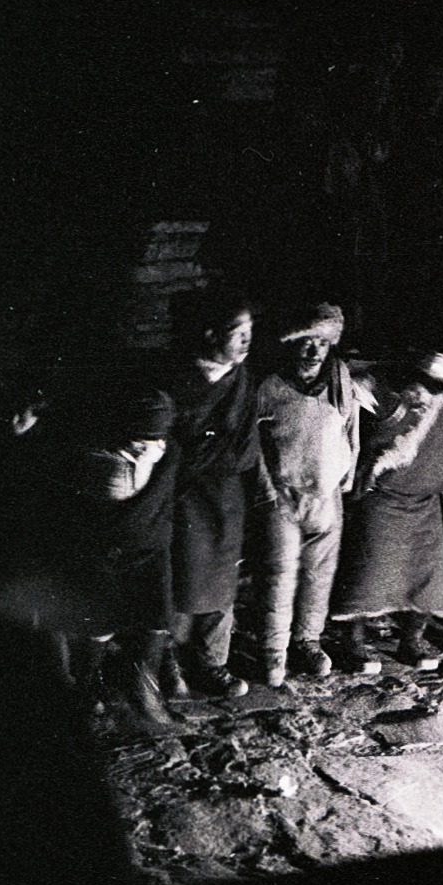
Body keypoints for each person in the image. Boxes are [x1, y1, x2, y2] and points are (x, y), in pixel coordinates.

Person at [0, 385, 179, 731]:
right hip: (101, 550)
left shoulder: (167, 454)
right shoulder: (89, 459)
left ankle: (144, 689)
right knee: (97, 622)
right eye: (143, 439)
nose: (154, 446)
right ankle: (87, 689)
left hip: (150, 548)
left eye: (157, 439)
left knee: (157, 615)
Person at [253, 303, 364, 687]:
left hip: (326, 494)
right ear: (291, 344)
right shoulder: (270, 387)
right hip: (283, 496)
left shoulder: (339, 376)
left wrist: (345, 477)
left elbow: (351, 427)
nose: (314, 351)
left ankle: (307, 641)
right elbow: (255, 444)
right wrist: (268, 492)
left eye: (322, 343)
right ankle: (273, 653)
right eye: (306, 342)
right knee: (280, 575)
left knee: (319, 573)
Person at [330, 351, 443, 674]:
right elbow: (347, 394)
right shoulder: (376, 388)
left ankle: (412, 639)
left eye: (435, 385)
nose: (426, 391)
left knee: (427, 577)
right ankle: (354, 641)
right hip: (383, 498)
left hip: (425, 500)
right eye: (420, 382)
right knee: (367, 572)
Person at [165, 293, 260, 699]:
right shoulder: (176, 378)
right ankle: (165, 661)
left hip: (225, 494)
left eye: (250, 334)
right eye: (238, 334)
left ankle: (211, 663)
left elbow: (246, 446)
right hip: (181, 494)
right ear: (209, 334)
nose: (246, 342)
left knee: (222, 582)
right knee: (178, 578)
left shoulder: (242, 380)